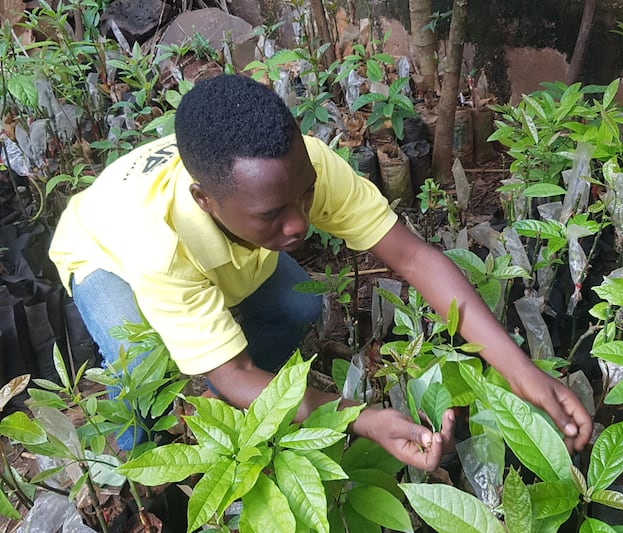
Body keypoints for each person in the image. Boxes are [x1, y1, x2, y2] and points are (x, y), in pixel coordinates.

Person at [49, 74, 591, 470]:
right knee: (140, 371)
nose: (301, 224)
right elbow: (231, 372)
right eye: (273, 215)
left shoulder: (298, 170)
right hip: (102, 253)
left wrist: (523, 373)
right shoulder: (160, 249)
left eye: (305, 195)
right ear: (206, 200)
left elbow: (414, 258)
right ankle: (130, 466)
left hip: (213, 241)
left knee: (299, 305)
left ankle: (260, 411)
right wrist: (359, 416)